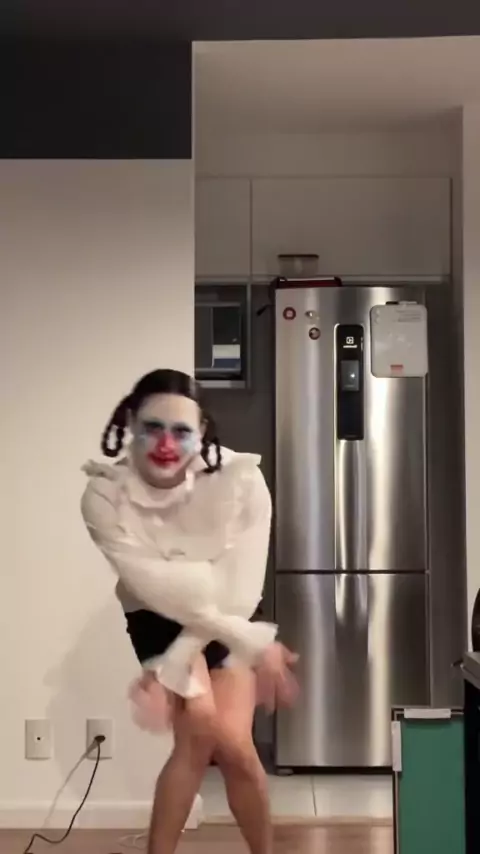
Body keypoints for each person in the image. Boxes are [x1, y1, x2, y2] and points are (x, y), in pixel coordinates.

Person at [80, 369, 298, 854]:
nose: (165, 444)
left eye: (180, 431)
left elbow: (237, 592)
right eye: (152, 427)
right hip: (155, 612)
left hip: (231, 610)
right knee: (198, 723)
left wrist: (181, 658)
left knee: (233, 744)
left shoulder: (241, 480)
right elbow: (160, 590)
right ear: (130, 424)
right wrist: (252, 641)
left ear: (201, 432)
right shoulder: (104, 495)